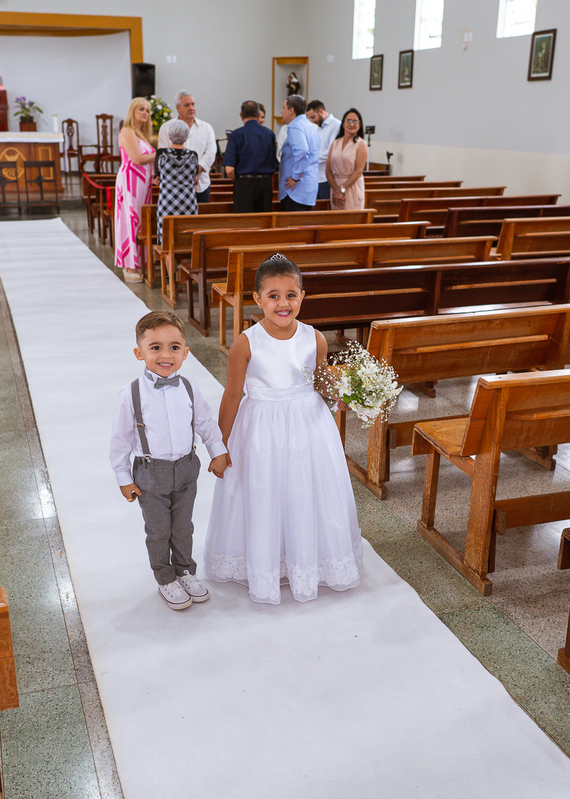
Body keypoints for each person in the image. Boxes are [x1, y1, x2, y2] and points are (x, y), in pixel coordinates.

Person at [204, 255, 362, 605]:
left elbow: (320, 381)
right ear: (257, 299)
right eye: (273, 296)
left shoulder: (314, 338)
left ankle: (306, 559)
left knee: (306, 490)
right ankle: (266, 560)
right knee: (265, 491)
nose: (283, 303)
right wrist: (219, 447)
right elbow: (232, 395)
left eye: (291, 295)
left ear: (302, 296)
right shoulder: (246, 343)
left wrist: (342, 397)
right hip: (261, 430)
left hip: (308, 427)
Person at [111, 311, 229, 611]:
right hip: (151, 474)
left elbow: (204, 422)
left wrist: (218, 452)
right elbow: (120, 441)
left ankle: (186, 571)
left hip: (187, 468)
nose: (166, 355)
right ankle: (165, 577)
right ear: (139, 353)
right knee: (158, 531)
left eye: (174, 347)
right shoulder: (131, 394)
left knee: (183, 527)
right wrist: (124, 478)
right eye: (155, 347)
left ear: (185, 353)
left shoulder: (189, 387)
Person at [115, 97, 157, 283]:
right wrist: (160, 154)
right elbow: (137, 159)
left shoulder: (141, 134)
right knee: (130, 219)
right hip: (130, 182)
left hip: (143, 183)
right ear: (132, 111)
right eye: (141, 109)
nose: (145, 113)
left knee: (141, 221)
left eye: (147, 110)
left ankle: (139, 261)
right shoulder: (127, 131)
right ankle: (129, 265)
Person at [157, 91, 217, 203]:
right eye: (187, 105)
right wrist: (184, 174)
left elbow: (210, 153)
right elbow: (163, 154)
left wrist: (194, 171)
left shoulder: (206, 128)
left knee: (201, 214)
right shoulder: (166, 127)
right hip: (173, 186)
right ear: (177, 108)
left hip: (200, 185)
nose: (191, 108)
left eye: (193, 104)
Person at [222, 100, 278, 213]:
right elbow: (274, 162)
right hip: (265, 185)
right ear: (258, 115)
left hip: (244, 185)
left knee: (244, 221)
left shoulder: (236, 135)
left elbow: (229, 169)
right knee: (264, 221)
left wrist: (238, 180)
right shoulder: (270, 134)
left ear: (241, 115)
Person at [154, 119, 198, 245]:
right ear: (186, 137)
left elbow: (158, 175)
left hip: (167, 200)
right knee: (187, 235)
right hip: (188, 201)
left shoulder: (161, 154)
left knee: (167, 236)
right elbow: (194, 177)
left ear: (169, 136)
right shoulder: (193, 155)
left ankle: (166, 255)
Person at [277, 95, 320, 211]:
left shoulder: (296, 127)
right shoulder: (311, 127)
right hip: (308, 188)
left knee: (292, 222)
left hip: (295, 190)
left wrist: (295, 177)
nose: (281, 111)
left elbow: (302, 151)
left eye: (284, 107)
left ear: (291, 110)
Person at [326, 108, 369, 211]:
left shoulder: (361, 144)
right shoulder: (335, 143)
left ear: (360, 125)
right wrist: (336, 190)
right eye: (348, 120)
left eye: (355, 121)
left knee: (351, 218)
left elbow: (358, 171)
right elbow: (328, 171)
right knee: (336, 219)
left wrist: (342, 189)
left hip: (352, 187)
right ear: (343, 123)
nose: (351, 124)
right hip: (335, 188)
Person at [306, 100, 341, 202]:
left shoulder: (336, 125)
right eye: (310, 118)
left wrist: (310, 160)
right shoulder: (317, 129)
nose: (312, 121)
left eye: (313, 117)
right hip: (315, 177)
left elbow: (331, 151)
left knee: (325, 207)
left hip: (327, 178)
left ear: (321, 111)